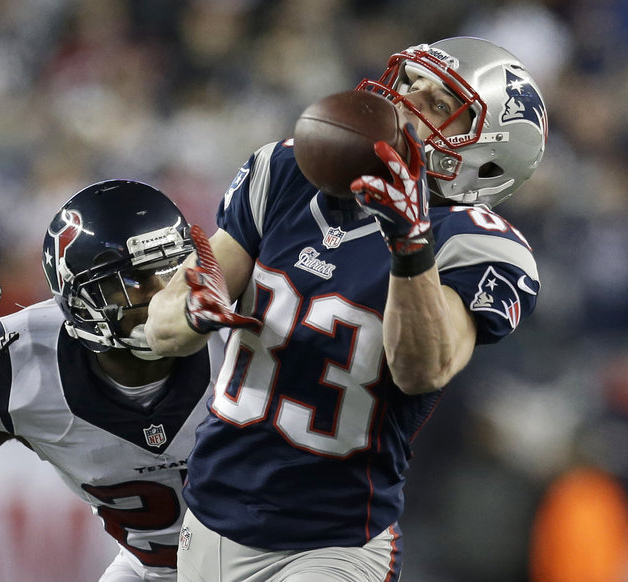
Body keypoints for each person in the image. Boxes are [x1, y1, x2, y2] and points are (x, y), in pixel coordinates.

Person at [144, 36, 547, 582]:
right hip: (210, 516)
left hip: (331, 543)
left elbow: (421, 368)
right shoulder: (286, 171)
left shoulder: (478, 243)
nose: (403, 103)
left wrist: (410, 243)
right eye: (409, 83)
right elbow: (161, 325)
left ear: (486, 157)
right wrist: (195, 309)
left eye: (437, 105)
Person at [0, 180, 226, 582]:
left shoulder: (236, 331)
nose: (163, 296)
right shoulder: (24, 363)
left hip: (271, 557)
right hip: (152, 571)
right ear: (80, 301)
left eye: (170, 270)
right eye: (134, 280)